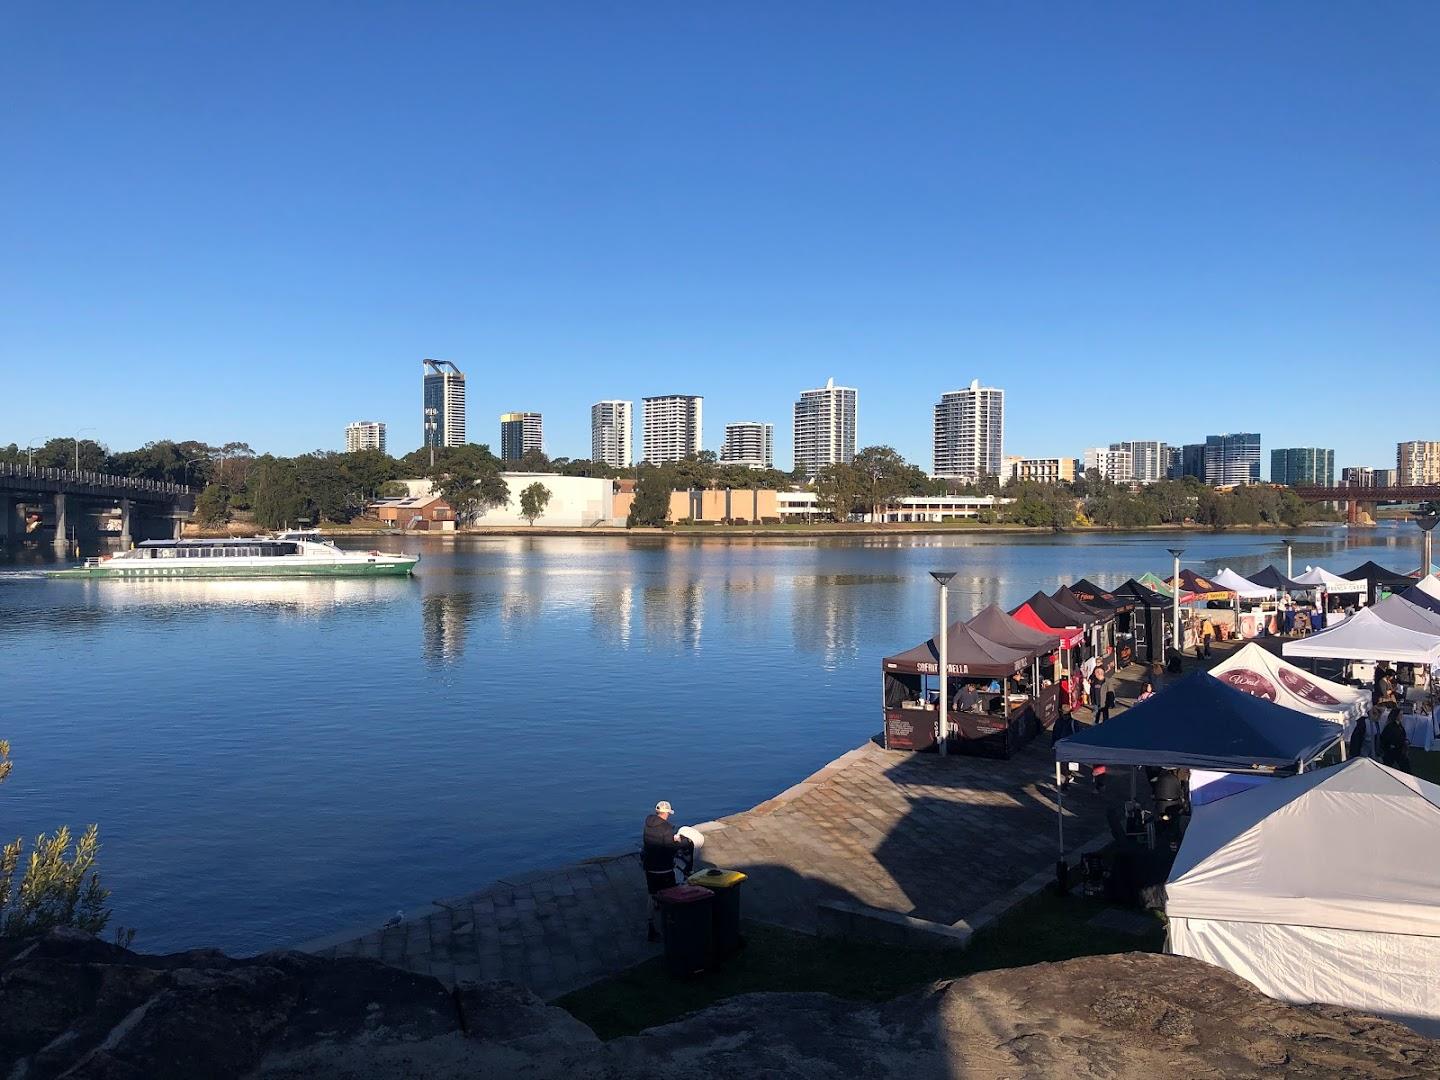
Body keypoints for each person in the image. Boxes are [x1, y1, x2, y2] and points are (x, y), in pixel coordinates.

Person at [642, 800, 682, 940]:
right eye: (668, 814)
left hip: (649, 866)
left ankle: (650, 925)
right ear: (665, 813)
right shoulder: (666, 828)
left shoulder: (648, 823)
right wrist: (678, 841)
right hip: (663, 868)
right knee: (670, 893)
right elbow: (670, 849)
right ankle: (671, 923)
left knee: (651, 894)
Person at [1378, 707, 1410, 772]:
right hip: (1391, 750)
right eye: (1400, 715)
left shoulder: (1400, 726)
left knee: (1405, 766)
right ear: (1396, 715)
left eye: (1402, 715)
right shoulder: (1390, 726)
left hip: (1399, 749)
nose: (1402, 717)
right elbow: (1386, 738)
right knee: (1387, 766)